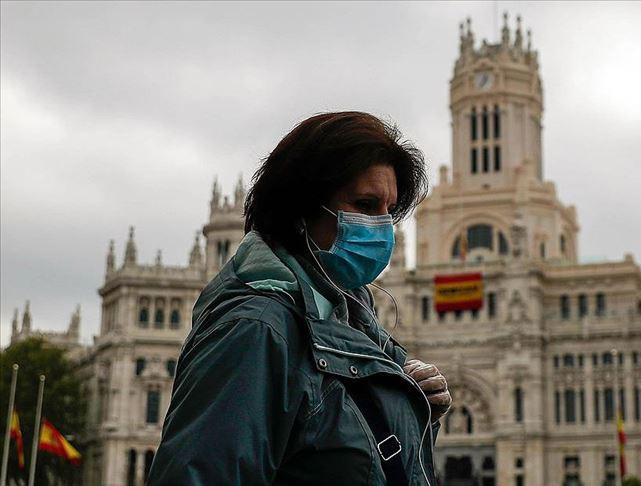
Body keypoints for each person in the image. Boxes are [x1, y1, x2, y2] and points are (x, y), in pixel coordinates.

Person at [149, 112, 451, 485]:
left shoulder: (351, 315)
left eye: (388, 211)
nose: (381, 226)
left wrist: (410, 406)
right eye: (365, 204)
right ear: (302, 210)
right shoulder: (255, 328)